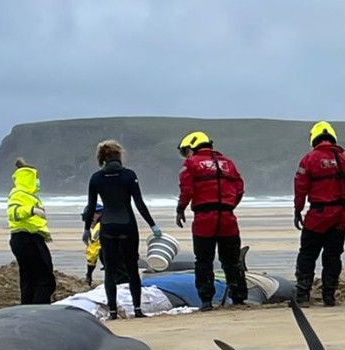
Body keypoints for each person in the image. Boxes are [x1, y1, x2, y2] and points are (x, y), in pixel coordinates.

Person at [84, 140, 161, 318]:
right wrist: (152, 225)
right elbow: (139, 203)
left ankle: (112, 312)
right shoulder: (129, 175)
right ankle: (137, 309)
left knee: (110, 270)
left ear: (102, 158)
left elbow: (91, 205)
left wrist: (87, 229)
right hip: (127, 225)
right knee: (132, 268)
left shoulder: (96, 178)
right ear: (119, 156)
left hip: (107, 226)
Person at [176, 131, 247, 311]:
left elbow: (187, 190)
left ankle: (206, 301)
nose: (186, 155)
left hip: (204, 218)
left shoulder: (191, 164)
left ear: (193, 146)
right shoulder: (228, 164)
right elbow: (239, 189)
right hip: (227, 217)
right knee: (231, 260)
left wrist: (180, 209)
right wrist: (229, 205)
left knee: (203, 260)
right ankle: (238, 297)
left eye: (186, 151)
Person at [293, 121, 345, 307]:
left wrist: (297, 210)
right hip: (340, 216)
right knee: (333, 256)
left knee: (307, 254)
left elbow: (300, 187)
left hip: (318, 215)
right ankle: (329, 295)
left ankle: (303, 294)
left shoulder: (309, 159)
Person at [6, 158, 55, 306]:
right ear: (30, 178)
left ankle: (27, 308)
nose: (38, 181)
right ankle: (39, 311)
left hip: (27, 238)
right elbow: (13, 212)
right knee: (45, 280)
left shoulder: (28, 195)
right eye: (36, 178)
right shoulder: (18, 194)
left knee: (29, 279)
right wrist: (31, 210)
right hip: (27, 239)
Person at [84, 203, 103, 285]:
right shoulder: (115, 218)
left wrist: (89, 274)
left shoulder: (99, 227)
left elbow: (93, 252)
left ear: (96, 214)